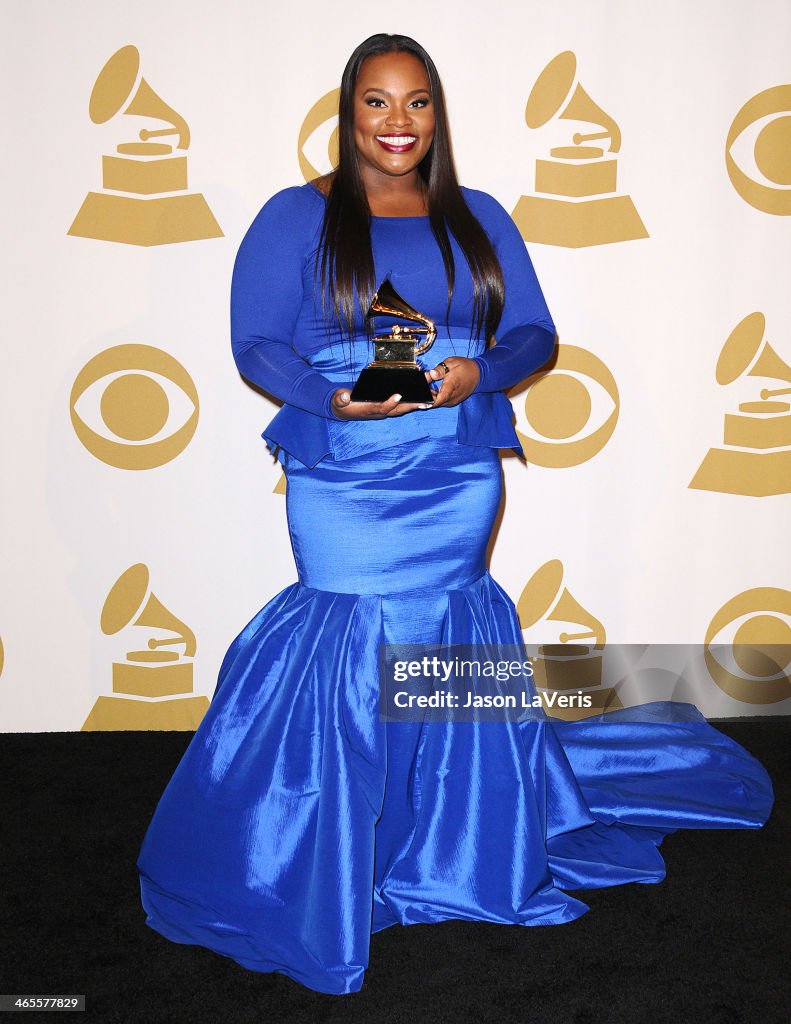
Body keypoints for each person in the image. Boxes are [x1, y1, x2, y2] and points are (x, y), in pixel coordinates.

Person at [136, 33, 773, 996]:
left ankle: (448, 842)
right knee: (346, 632)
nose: (398, 123)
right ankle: (327, 849)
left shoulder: (475, 216)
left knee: (446, 631)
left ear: (437, 113)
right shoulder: (294, 215)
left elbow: (531, 332)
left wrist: (485, 370)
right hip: (346, 468)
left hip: (455, 465)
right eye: (378, 103)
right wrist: (326, 396)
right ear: (346, 111)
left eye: (417, 103)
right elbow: (254, 343)